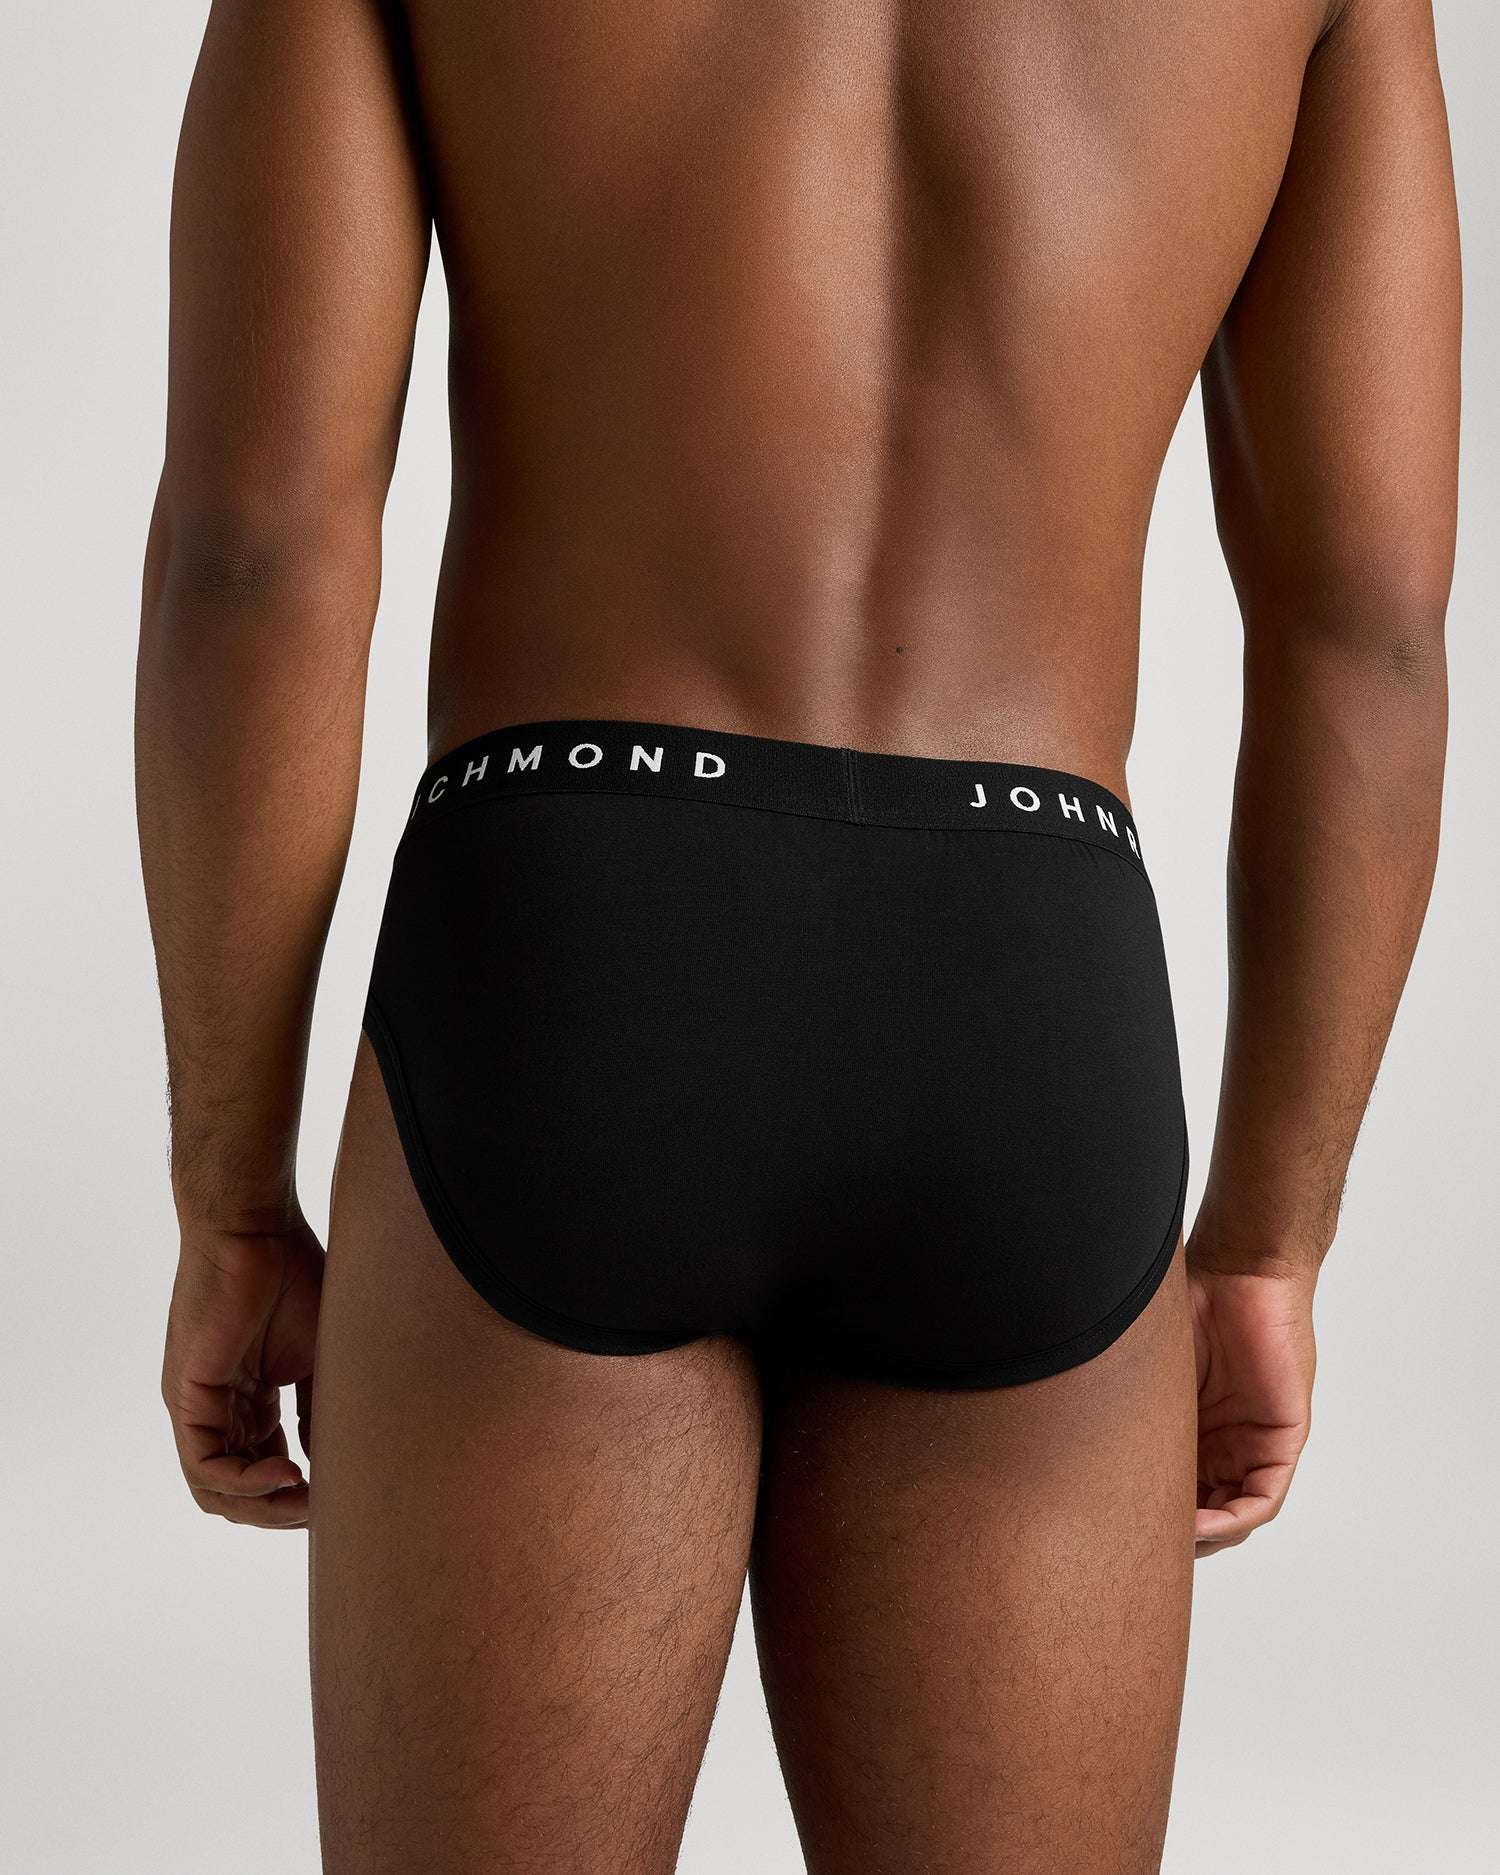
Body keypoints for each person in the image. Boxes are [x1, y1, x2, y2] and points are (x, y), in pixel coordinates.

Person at [136, 2, 1458, 1869]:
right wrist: (1266, 1242)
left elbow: (258, 545)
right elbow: (1372, 627)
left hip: (575, 948)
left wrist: (231, 1198)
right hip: (1026, 981)